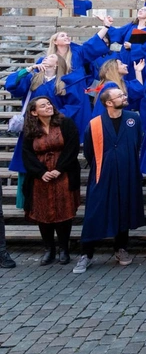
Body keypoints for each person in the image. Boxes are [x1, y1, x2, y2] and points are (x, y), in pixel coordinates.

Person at [75, 87, 145, 274]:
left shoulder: (134, 119)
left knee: (123, 209)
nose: (124, 97)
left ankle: (121, 248)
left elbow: (138, 143)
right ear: (108, 102)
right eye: (120, 96)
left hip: (127, 172)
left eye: (123, 94)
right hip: (102, 175)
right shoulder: (95, 123)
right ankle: (86, 253)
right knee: (94, 213)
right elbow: (89, 152)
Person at [21, 96, 81, 267]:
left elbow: (72, 147)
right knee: (43, 213)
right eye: (43, 105)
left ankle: (64, 249)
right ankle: (49, 249)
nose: (48, 107)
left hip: (63, 173)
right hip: (41, 178)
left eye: (48, 104)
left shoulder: (65, 123)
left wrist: (59, 169)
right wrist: (41, 173)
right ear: (34, 112)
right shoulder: (30, 130)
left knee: (64, 211)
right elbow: (27, 154)